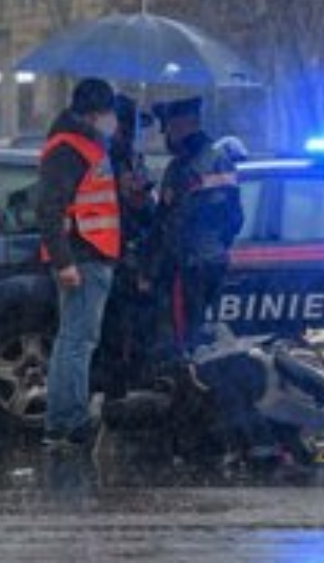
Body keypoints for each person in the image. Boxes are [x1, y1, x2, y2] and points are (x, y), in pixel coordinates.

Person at [37, 77, 121, 449]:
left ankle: (63, 420)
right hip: (83, 255)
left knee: (73, 340)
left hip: (88, 253)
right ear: (96, 113)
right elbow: (50, 207)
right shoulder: (70, 149)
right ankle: (69, 421)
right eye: (110, 113)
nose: (113, 120)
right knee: (76, 341)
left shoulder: (84, 145)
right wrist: (63, 260)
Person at [147, 96, 243, 359]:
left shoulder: (190, 165)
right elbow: (234, 220)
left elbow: (174, 222)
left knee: (183, 336)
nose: (167, 135)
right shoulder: (212, 159)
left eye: (169, 128)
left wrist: (159, 263)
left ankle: (188, 387)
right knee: (196, 330)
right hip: (208, 260)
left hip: (189, 264)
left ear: (183, 125)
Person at [101, 93, 159, 398]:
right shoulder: (113, 158)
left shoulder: (129, 157)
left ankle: (124, 382)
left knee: (126, 324)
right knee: (118, 326)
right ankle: (119, 385)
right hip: (117, 250)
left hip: (123, 249)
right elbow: (125, 206)